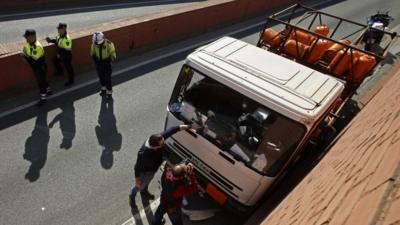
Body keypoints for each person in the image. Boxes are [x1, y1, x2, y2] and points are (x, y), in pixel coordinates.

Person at [129, 124, 196, 206]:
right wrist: (137, 179)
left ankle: (144, 192)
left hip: (153, 169)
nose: (164, 143)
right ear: (154, 147)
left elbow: (174, 128)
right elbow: (137, 167)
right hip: (146, 172)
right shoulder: (143, 154)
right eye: (162, 144)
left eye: (164, 141)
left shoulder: (158, 138)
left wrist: (190, 126)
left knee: (147, 182)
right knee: (139, 186)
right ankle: (132, 195)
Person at [22, 29, 52, 106]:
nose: (26, 39)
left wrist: (24, 56)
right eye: (26, 37)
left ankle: (43, 99)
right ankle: (49, 90)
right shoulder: (29, 44)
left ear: (33, 37)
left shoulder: (38, 47)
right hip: (36, 67)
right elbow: (25, 49)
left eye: (27, 37)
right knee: (43, 80)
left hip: (40, 67)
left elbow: (32, 60)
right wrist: (25, 54)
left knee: (40, 83)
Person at [90, 32, 116, 99]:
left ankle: (109, 92)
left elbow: (113, 53)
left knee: (108, 78)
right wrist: (95, 59)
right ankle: (103, 88)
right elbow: (92, 53)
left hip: (107, 63)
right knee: (101, 77)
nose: (97, 44)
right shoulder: (94, 44)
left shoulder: (109, 43)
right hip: (99, 63)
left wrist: (110, 59)